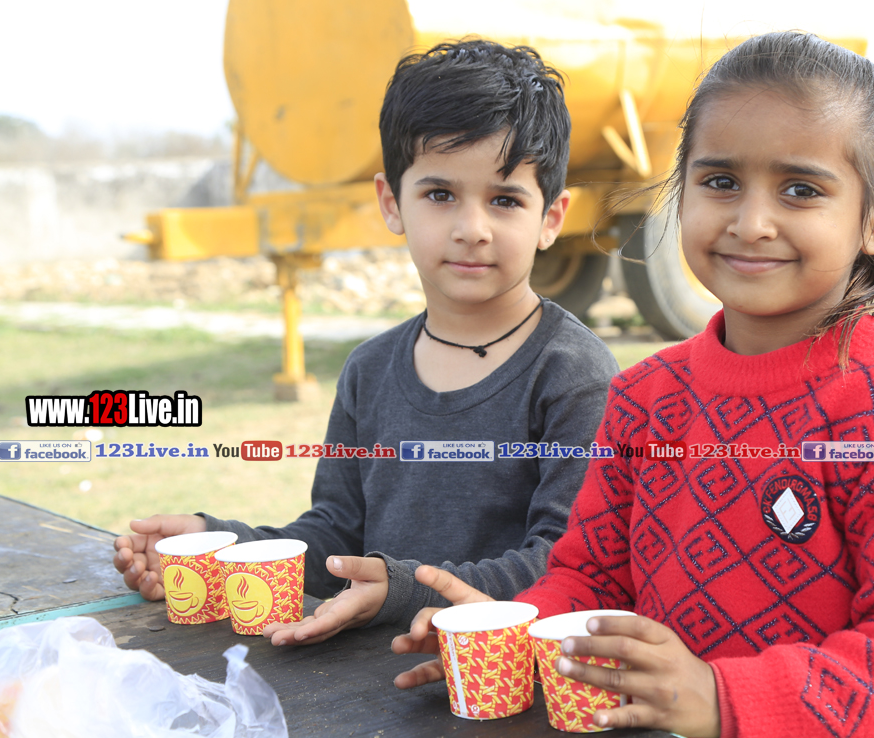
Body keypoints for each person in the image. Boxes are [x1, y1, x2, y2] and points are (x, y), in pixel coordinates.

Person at [390, 32, 874, 738]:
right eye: (720, 182)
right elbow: (592, 577)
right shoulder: (645, 398)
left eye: (801, 190)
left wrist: (717, 695)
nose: (750, 222)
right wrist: (518, 631)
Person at [112, 40, 620, 646]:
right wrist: (221, 546)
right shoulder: (370, 369)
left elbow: (563, 565)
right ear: (391, 203)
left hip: (498, 683)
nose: (472, 229)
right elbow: (336, 538)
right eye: (440, 195)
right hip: (365, 683)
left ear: (551, 218)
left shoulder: (572, 374)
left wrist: (403, 589)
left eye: (505, 200)